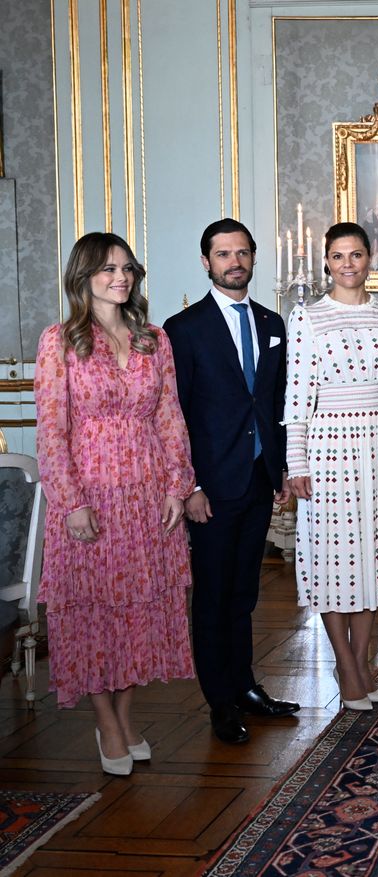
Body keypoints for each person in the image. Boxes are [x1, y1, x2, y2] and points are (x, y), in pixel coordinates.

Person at [34, 232, 195, 775]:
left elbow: (170, 417)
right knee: (94, 613)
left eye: (127, 267)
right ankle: (106, 725)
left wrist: (179, 486)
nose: (120, 277)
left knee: (138, 610)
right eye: (107, 268)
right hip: (91, 499)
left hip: (148, 495)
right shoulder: (60, 341)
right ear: (83, 277)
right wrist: (70, 502)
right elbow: (52, 433)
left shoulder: (154, 339)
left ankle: (127, 720)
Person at [164, 218, 299, 745]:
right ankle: (220, 703)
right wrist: (188, 485)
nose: (234, 262)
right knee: (214, 596)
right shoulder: (184, 329)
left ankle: (244, 687)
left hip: (259, 478)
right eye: (223, 254)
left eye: (242, 252)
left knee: (244, 594)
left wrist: (282, 468)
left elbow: (274, 402)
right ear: (206, 262)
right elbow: (173, 414)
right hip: (210, 486)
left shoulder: (272, 322)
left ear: (253, 257)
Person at [283, 222, 378, 710]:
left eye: (356, 255)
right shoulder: (307, 317)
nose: (347, 264)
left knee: (374, 557)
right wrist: (295, 461)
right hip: (328, 446)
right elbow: (296, 396)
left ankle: (364, 662)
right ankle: (345, 664)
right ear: (327, 261)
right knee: (333, 558)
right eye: (338, 256)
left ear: (370, 258)